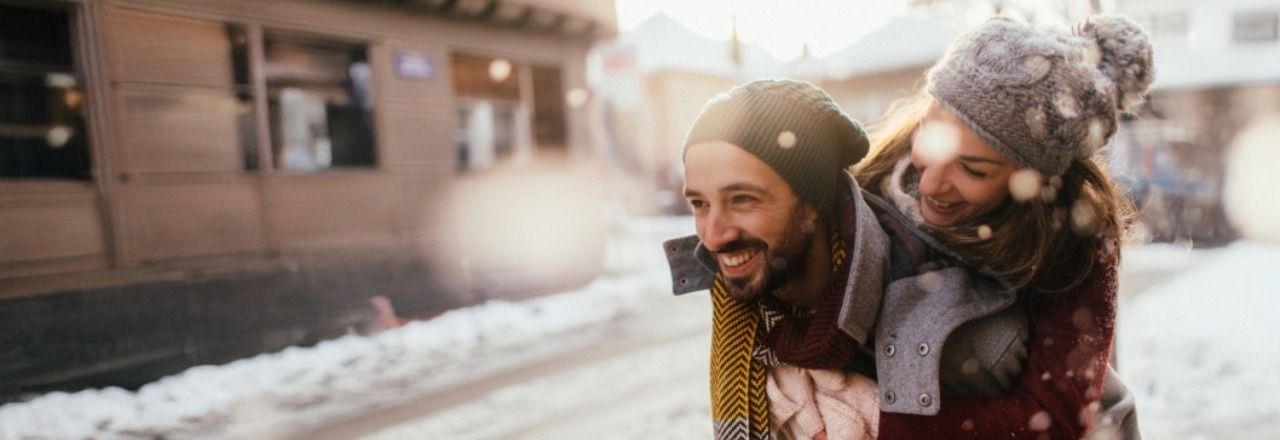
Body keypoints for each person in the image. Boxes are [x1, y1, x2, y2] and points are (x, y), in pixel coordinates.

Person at [665, 13, 1152, 440]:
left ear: (1034, 178)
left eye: (974, 170)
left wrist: (878, 422)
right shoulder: (875, 184)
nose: (932, 182)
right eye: (932, 138)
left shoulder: (1075, 243)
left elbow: (1056, 420)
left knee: (987, 345)